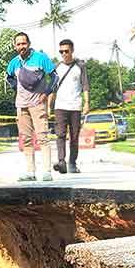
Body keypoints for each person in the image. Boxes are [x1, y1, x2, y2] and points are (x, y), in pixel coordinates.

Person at [6, 32, 57, 182]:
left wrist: (46, 93)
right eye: (18, 44)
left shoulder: (40, 58)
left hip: (37, 104)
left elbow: (55, 76)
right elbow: (8, 77)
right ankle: (30, 172)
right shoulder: (14, 62)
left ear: (29, 44)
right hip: (21, 106)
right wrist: (16, 88)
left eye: (24, 43)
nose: (21, 46)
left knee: (43, 137)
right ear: (15, 46)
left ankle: (47, 171)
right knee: (26, 139)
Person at [49, 39, 90, 174]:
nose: (64, 54)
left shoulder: (80, 66)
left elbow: (85, 85)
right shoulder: (56, 67)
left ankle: (72, 163)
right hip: (60, 106)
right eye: (61, 52)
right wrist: (49, 105)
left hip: (75, 106)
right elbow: (53, 88)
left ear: (72, 50)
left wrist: (86, 103)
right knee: (60, 134)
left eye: (66, 51)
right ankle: (61, 162)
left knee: (74, 136)